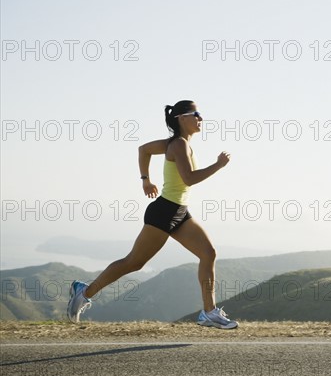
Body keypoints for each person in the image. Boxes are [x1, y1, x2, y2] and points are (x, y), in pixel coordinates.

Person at [67, 100, 238, 329]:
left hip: (179, 211)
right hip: (165, 212)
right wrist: (218, 165)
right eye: (195, 113)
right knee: (133, 263)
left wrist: (145, 179)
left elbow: (144, 150)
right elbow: (189, 179)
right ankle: (84, 291)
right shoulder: (178, 144)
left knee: (208, 253)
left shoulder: (176, 143)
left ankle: (209, 312)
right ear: (181, 118)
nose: (200, 118)